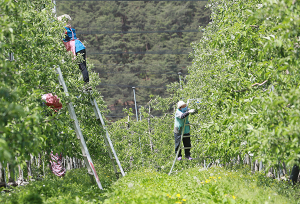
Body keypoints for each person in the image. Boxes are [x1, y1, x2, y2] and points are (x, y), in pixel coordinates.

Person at [57, 14, 90, 85]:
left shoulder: (65, 30)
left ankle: (86, 84)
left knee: (81, 66)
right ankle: (86, 82)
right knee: (83, 66)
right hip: (81, 46)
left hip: (76, 48)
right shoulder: (71, 29)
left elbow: (62, 37)